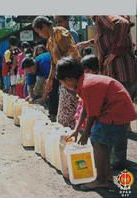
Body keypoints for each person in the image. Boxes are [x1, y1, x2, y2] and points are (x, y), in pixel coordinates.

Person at [56, 57, 136, 190]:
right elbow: (86, 107)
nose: (63, 85)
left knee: (97, 141)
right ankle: (106, 176)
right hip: (113, 109)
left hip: (116, 110)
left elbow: (92, 114)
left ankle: (101, 179)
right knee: (99, 142)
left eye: (62, 83)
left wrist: (86, 133)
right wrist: (76, 129)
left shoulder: (88, 85)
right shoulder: (83, 81)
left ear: (69, 79)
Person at [77, 15, 137, 169]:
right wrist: (90, 42)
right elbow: (109, 37)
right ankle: (112, 160)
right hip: (114, 75)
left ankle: (117, 161)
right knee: (113, 118)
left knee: (118, 119)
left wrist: (114, 54)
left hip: (120, 72)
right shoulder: (98, 21)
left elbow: (124, 24)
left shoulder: (101, 14)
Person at [32, 16, 81, 126]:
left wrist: (68, 77)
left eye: (38, 31)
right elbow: (53, 63)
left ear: (44, 26)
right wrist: (50, 79)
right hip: (64, 80)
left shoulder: (60, 32)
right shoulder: (50, 42)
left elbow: (72, 54)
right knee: (64, 113)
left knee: (72, 111)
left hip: (72, 78)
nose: (39, 35)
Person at [74, 55, 99, 135]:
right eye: (83, 71)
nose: (84, 74)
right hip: (83, 111)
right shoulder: (84, 81)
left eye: (87, 71)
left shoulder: (96, 82)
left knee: (91, 133)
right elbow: (81, 100)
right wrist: (77, 112)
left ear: (95, 70)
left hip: (91, 115)